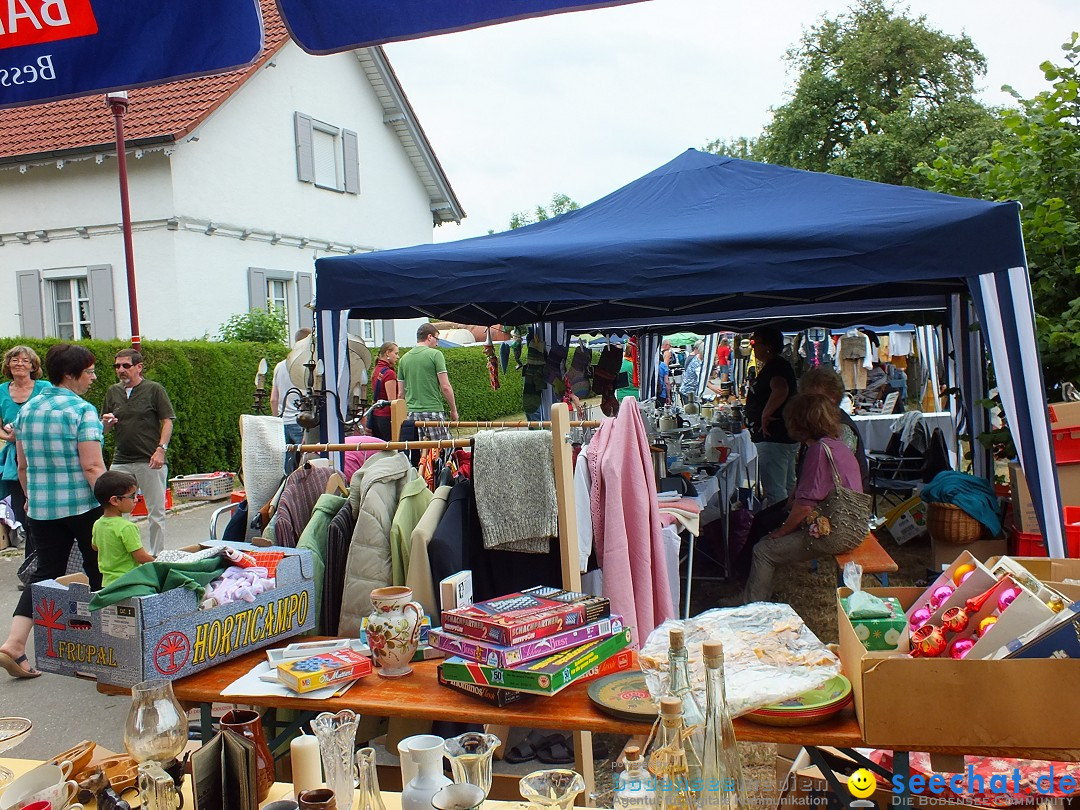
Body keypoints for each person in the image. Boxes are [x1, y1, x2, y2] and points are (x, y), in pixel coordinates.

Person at [0, 344, 105, 678]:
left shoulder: (27, 411)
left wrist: (32, 497)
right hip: (83, 505)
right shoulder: (82, 411)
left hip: (42, 508)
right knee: (98, 570)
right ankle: (99, 650)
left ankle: (15, 645)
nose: (92, 377)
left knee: (44, 573)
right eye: (89, 371)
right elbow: (92, 466)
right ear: (71, 374)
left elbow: (22, 467)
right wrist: (111, 504)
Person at [743, 392, 864, 603]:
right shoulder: (836, 444)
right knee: (769, 536)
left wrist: (781, 531)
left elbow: (804, 507)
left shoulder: (819, 451)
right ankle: (758, 596)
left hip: (834, 532)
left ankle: (751, 607)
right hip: (852, 525)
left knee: (764, 550)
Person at [102, 349, 176, 557]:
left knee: (156, 511)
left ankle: (156, 556)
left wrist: (161, 450)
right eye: (117, 366)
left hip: (149, 459)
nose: (121, 370)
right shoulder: (113, 392)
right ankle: (124, 554)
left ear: (139, 367)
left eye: (126, 366)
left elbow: (167, 421)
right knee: (115, 510)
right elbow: (105, 429)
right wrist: (106, 423)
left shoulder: (154, 389)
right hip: (122, 459)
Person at [0, 346, 51, 559]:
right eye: (14, 360)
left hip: (40, 455)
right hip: (13, 460)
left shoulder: (44, 388)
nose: (19, 364)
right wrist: (7, 436)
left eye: (25, 360)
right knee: (22, 512)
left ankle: (47, 559)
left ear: (33, 366)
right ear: (8, 365)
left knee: (44, 511)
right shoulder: (2, 390)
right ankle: (31, 563)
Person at [745, 327, 798, 506]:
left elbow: (781, 388)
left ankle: (779, 525)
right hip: (783, 435)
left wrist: (765, 416)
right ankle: (790, 520)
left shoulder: (776, 366)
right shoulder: (778, 365)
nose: (753, 347)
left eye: (755, 343)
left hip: (774, 437)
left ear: (768, 346)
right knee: (788, 484)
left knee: (775, 489)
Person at [92, 470, 154, 587]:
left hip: (107, 584)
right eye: (132, 496)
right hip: (129, 582)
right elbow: (140, 557)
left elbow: (95, 546)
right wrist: (160, 564)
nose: (136, 499)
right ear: (115, 500)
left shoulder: (98, 524)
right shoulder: (127, 527)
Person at [397, 323, 458, 440]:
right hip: (432, 411)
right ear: (429, 337)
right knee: (442, 450)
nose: (437, 343)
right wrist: (453, 410)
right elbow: (445, 386)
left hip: (411, 414)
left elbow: (400, 394)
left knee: (416, 454)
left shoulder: (403, 359)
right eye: (437, 338)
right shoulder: (436, 355)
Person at [271, 327, 312, 473]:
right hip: (300, 421)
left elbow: (273, 399)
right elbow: (307, 398)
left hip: (283, 422)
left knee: (287, 465)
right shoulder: (306, 367)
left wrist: (277, 420)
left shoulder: (280, 366)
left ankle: (286, 491)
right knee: (306, 463)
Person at [368, 341, 400, 441]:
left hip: (376, 416)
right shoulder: (389, 373)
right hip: (386, 418)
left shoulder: (377, 369)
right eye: (396, 353)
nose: (398, 357)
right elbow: (392, 401)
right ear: (387, 353)